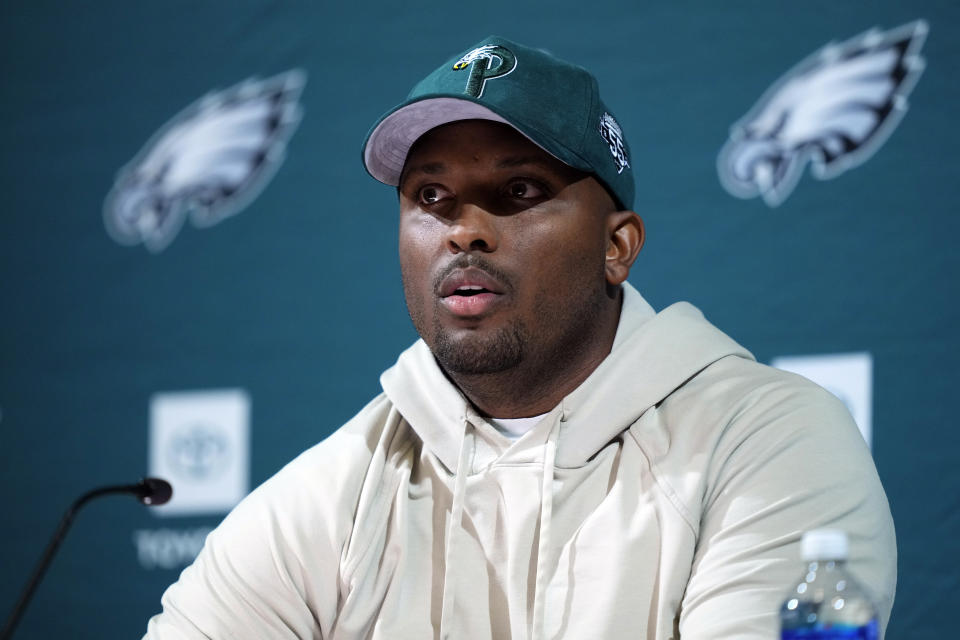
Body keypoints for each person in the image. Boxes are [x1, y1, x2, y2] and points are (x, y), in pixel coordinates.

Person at [144, 36, 896, 639]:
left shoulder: (770, 442)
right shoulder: (337, 489)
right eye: (429, 198)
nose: (463, 230)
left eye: (520, 193)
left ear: (618, 246)